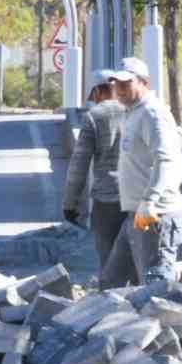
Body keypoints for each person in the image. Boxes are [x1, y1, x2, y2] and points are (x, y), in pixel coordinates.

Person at [102, 56, 182, 287]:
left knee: (156, 290)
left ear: (144, 82)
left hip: (156, 216)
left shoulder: (152, 113)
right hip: (137, 215)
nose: (119, 88)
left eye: (126, 83)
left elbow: (166, 159)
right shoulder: (133, 111)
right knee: (112, 282)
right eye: (116, 83)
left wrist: (150, 200)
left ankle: (168, 322)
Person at [61, 72, 127, 277]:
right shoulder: (136, 110)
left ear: (98, 90)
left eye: (94, 95)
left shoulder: (94, 116)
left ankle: (111, 301)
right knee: (136, 258)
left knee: (108, 262)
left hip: (106, 200)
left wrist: (69, 205)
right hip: (137, 197)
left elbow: (79, 165)